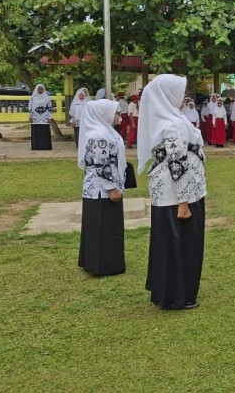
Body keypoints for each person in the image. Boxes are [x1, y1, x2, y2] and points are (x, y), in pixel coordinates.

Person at [138, 74, 207, 310]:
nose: (183, 96)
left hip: (166, 192)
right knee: (184, 244)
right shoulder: (174, 124)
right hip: (180, 193)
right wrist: (183, 201)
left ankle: (166, 293)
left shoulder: (165, 118)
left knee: (167, 243)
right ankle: (181, 296)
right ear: (168, 95)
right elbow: (177, 164)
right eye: (179, 91)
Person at [77, 99, 126, 276]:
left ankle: (106, 262)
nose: (118, 116)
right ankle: (102, 265)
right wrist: (111, 188)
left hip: (105, 186)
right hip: (100, 189)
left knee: (108, 226)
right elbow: (101, 165)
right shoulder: (100, 135)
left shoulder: (107, 131)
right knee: (101, 226)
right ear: (102, 114)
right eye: (115, 112)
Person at [28, 84, 54, 151]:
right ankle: (36, 147)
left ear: (44, 89)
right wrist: (30, 117)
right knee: (36, 132)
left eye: (41, 89)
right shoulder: (32, 98)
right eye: (39, 89)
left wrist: (50, 117)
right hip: (35, 117)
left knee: (44, 131)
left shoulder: (47, 98)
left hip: (45, 117)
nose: (40, 90)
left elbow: (50, 108)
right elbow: (30, 108)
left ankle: (46, 146)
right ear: (36, 89)